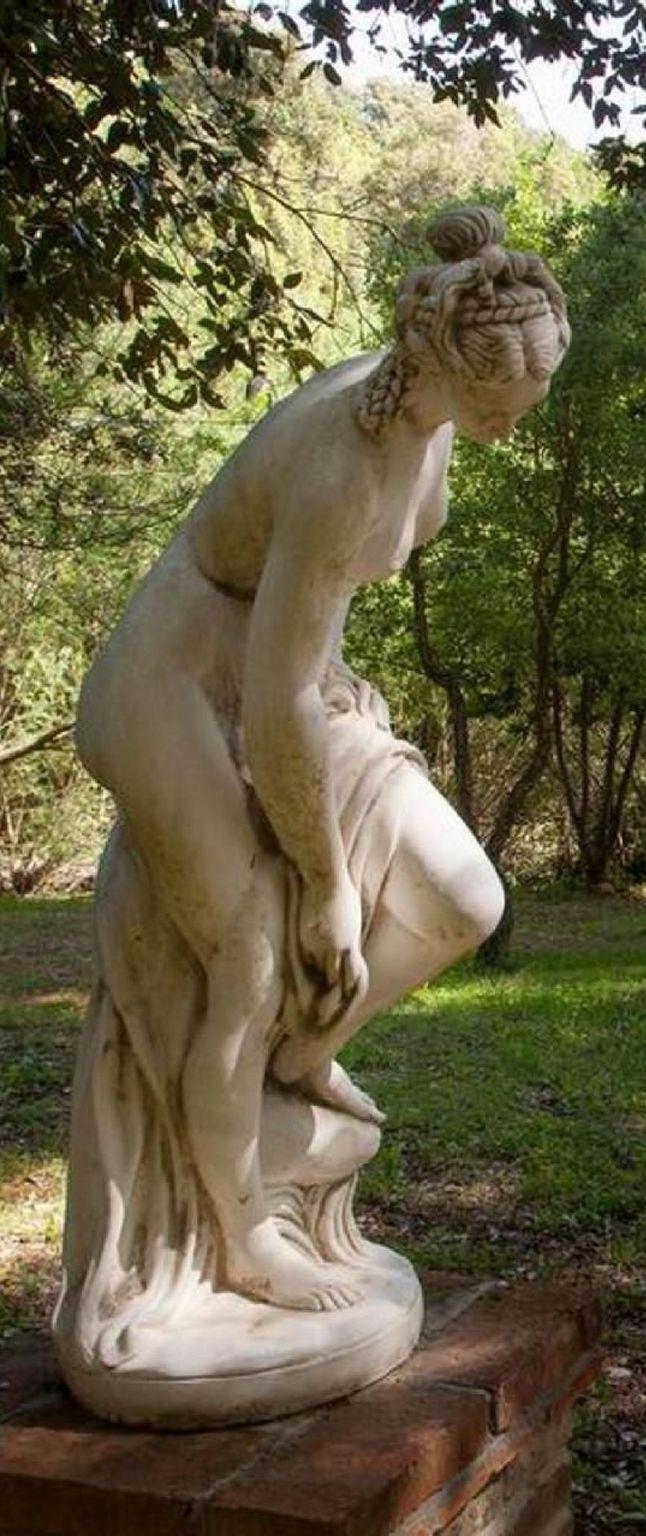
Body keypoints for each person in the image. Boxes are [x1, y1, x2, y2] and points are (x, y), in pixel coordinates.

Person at [68, 205, 568, 1318]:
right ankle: (244, 1236)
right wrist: (329, 880)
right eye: (499, 408)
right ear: (445, 364)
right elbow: (275, 700)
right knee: (252, 949)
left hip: (289, 672)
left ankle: (289, 1067)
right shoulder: (341, 459)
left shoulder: (427, 416)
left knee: (463, 898)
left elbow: (301, 653)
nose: (506, 431)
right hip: (172, 685)